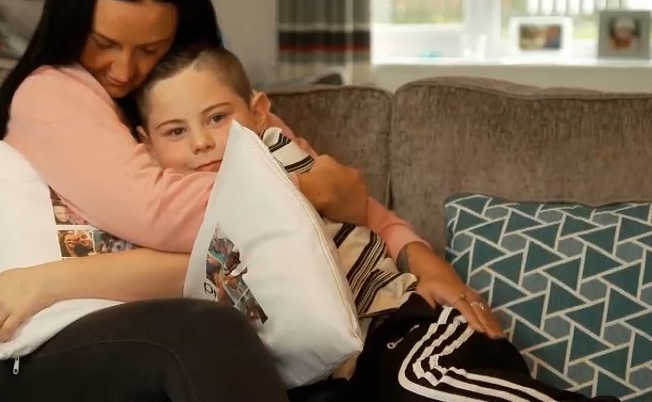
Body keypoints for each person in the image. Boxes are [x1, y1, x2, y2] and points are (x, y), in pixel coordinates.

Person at [0, 0, 480, 402]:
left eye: (150, 48)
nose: (123, 69)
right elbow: (163, 212)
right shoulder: (52, 92)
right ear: (73, 23)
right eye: (104, 43)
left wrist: (416, 253)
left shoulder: (205, 92)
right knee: (211, 327)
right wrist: (306, 197)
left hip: (160, 326)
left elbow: (322, 187)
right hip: (47, 344)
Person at [129, 44, 621, 402]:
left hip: (405, 325)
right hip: (345, 368)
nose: (201, 142)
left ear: (258, 114)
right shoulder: (166, 204)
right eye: (176, 131)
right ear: (146, 145)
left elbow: (336, 187)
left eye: (217, 118)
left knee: (416, 382)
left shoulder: (271, 159)